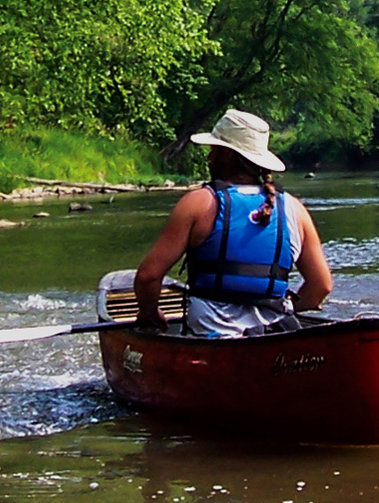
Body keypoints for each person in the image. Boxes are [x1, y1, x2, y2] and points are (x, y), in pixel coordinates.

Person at [134, 109, 333, 337]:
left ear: (226, 155)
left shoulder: (199, 203)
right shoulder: (294, 209)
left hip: (211, 338)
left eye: (213, 150)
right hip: (274, 336)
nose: (209, 158)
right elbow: (321, 286)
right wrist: (285, 310)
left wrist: (149, 313)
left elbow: (148, 277)